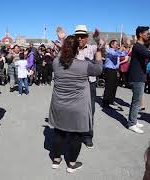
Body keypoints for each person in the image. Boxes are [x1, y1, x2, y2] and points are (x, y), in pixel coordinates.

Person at [49, 35, 103, 173]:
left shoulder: (55, 62)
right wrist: (99, 49)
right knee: (76, 136)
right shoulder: (84, 65)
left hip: (59, 104)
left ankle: (56, 160)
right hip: (78, 107)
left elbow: (62, 57)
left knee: (58, 132)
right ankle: (71, 164)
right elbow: (99, 69)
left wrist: (63, 40)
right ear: (77, 49)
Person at [75, 25, 103, 148]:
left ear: (87, 37)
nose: (80, 38)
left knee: (89, 110)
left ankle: (87, 136)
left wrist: (97, 39)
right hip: (74, 84)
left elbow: (102, 47)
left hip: (89, 83)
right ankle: (74, 133)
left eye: (82, 36)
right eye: (77, 36)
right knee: (74, 110)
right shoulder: (72, 49)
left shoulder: (92, 48)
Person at [102, 40, 127, 108]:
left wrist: (124, 47)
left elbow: (124, 54)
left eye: (118, 44)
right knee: (109, 86)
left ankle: (111, 100)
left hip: (115, 70)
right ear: (112, 45)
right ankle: (105, 102)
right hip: (109, 70)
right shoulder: (109, 50)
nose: (117, 45)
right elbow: (116, 54)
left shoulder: (117, 51)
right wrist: (120, 50)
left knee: (114, 86)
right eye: (116, 44)